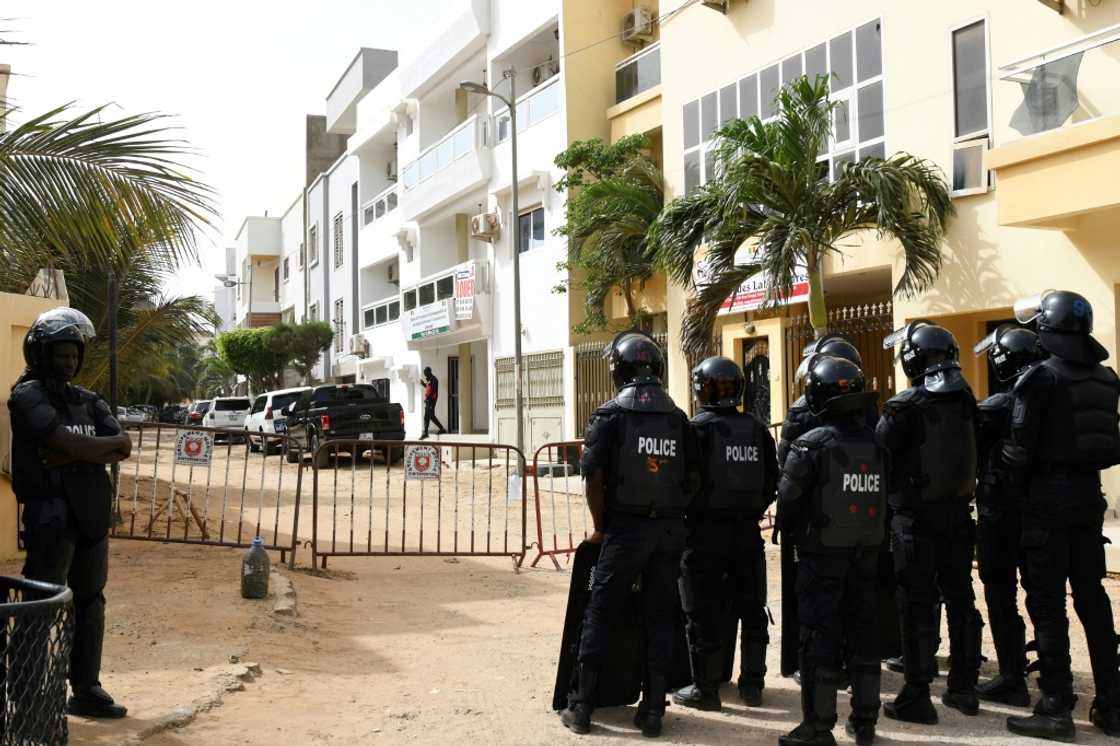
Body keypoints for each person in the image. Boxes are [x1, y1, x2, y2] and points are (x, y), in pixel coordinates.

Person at [560, 331, 699, 738]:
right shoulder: (678, 419)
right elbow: (694, 477)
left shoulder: (610, 416)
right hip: (668, 532)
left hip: (624, 531)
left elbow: (592, 479)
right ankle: (653, 711)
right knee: (660, 618)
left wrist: (601, 527)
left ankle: (582, 708)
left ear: (618, 371)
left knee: (600, 613)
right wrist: (672, 513)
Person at [1002, 291, 1120, 741]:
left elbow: (1019, 450)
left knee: (1048, 606)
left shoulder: (1039, 378)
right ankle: (1112, 703)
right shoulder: (1107, 378)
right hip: (1089, 499)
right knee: (1093, 601)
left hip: (1045, 504)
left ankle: (1055, 706)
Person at [7, 308, 132, 718]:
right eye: (61, 354)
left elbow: (124, 444)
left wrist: (71, 452)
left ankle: (86, 687)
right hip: (51, 514)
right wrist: (90, 449)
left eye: (74, 355)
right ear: (40, 354)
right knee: (40, 606)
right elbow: (66, 440)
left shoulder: (87, 400)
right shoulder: (27, 395)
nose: (69, 362)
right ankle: (26, 698)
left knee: (91, 601)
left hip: (91, 514)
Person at [775, 354, 886, 746]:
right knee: (864, 631)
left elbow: (787, 500)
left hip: (821, 556)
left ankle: (818, 727)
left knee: (819, 636)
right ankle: (866, 721)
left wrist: (791, 531)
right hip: (867, 552)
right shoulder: (877, 442)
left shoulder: (810, 445)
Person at [877, 320, 982, 724]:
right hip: (958, 516)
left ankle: (917, 695)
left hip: (914, 521)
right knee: (961, 599)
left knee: (916, 606)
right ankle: (964, 688)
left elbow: (881, 458)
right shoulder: (966, 399)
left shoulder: (903, 407)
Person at [672, 356, 777, 711]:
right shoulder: (758, 430)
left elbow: (684, 481)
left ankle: (706, 690)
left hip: (703, 535)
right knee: (753, 610)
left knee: (701, 612)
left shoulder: (696, 430)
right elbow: (771, 482)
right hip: (747, 534)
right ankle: (753, 685)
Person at [971, 325, 1046, 708]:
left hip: (1000, 512)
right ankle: (1052, 676)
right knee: (1044, 598)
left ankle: (1012, 676)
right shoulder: (1050, 399)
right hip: (1037, 512)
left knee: (1000, 594)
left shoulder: (999, 405)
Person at [419, 366, 446, 440]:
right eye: (424, 373)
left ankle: (440, 429)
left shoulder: (434, 379)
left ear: (429, 372)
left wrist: (428, 399)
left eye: (425, 372)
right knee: (428, 416)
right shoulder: (430, 379)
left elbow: (433, 391)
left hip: (431, 401)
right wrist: (423, 384)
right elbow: (428, 387)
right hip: (429, 400)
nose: (424, 374)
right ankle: (426, 432)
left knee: (429, 416)